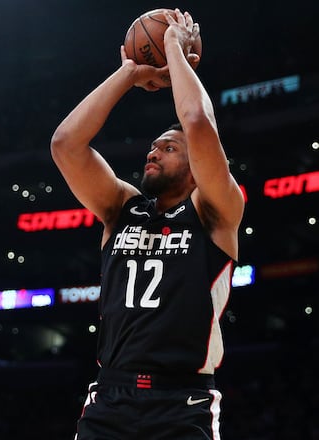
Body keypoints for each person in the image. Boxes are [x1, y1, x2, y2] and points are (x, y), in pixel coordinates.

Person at [49, 10, 243, 439]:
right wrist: (129, 73)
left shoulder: (215, 210)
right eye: (152, 147)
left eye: (168, 148)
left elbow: (196, 123)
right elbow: (66, 144)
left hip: (183, 402)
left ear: (198, 166)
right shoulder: (122, 207)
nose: (152, 153)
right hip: (111, 398)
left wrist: (172, 47)